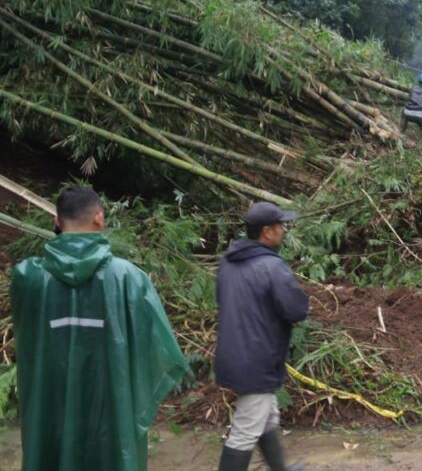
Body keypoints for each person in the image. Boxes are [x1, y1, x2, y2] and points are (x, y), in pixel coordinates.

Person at [10, 185, 189, 471]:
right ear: (100, 219)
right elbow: (157, 351)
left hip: (50, 410)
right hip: (111, 414)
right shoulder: (129, 279)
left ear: (56, 221)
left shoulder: (28, 279)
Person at [216, 202, 310, 470]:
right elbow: (294, 309)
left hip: (235, 353)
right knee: (245, 430)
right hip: (256, 359)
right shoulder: (272, 266)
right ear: (267, 232)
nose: (283, 230)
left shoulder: (227, 263)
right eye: (280, 226)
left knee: (267, 416)